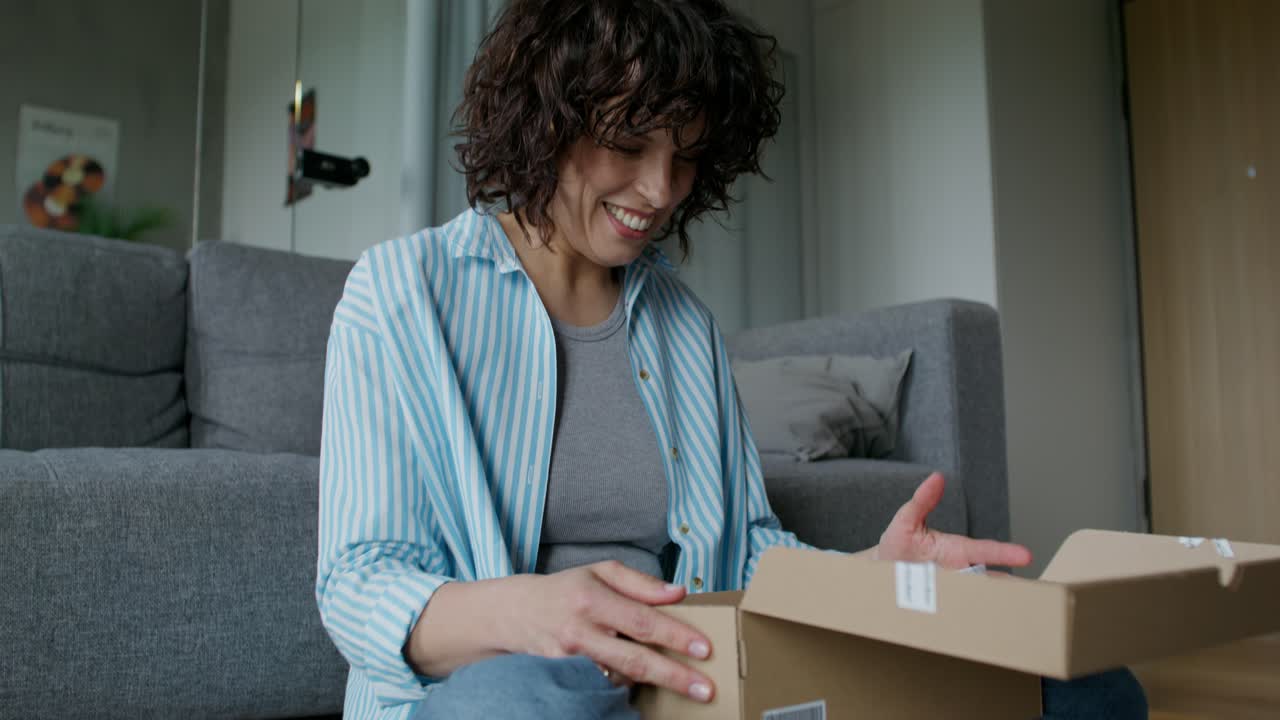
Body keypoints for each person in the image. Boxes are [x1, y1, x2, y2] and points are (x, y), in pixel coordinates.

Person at [315, 1, 1149, 718]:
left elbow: (744, 552)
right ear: (546, 116)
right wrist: (529, 615)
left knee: (1084, 682)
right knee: (529, 702)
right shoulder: (403, 294)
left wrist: (874, 578)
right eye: (629, 142)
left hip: (694, 682)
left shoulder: (684, 326)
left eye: (684, 157)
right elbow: (356, 585)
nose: (659, 191)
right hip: (518, 689)